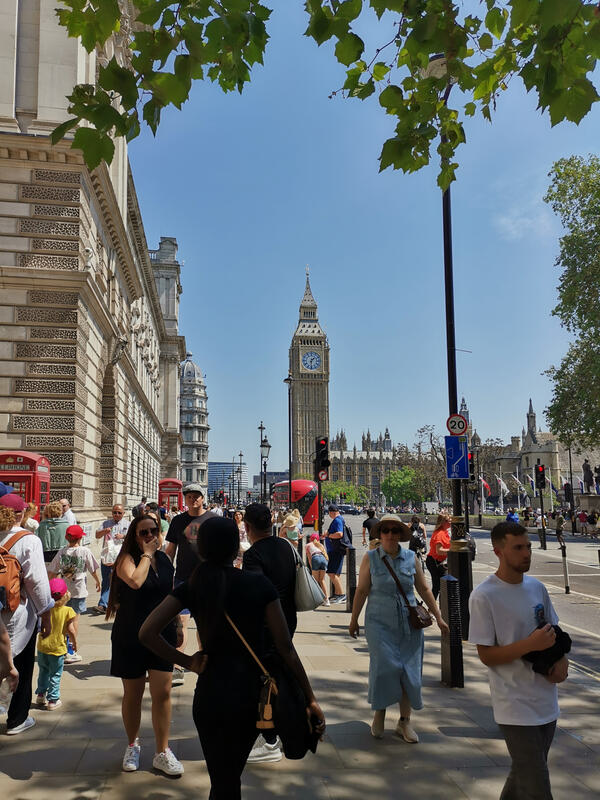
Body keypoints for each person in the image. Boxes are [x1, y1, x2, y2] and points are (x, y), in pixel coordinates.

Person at [139, 516, 325, 799]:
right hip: (249, 695)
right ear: (236, 547)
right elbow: (285, 647)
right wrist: (309, 698)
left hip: (211, 693)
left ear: (201, 549)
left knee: (222, 779)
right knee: (230, 776)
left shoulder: (193, 586)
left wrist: (187, 662)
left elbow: (147, 632)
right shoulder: (259, 585)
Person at [469, 522, 568, 799]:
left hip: (546, 700)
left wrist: (562, 660)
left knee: (524, 774)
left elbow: (554, 632)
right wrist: (529, 645)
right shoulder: (484, 596)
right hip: (514, 705)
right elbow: (486, 655)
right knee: (537, 785)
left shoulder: (537, 588)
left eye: (528, 547)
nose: (526, 553)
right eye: (518, 548)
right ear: (498, 551)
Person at [348, 514, 449, 742]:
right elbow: (362, 591)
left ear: (400, 535)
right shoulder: (370, 558)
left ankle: (404, 721)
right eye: (386, 531)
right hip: (378, 621)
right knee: (384, 668)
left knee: (409, 672)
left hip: (408, 623)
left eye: (395, 531)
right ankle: (380, 712)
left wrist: (439, 617)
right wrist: (354, 620)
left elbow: (424, 589)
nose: (390, 535)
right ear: (380, 534)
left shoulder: (411, 558)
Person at [107, 514, 183, 776]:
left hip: (162, 634)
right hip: (131, 635)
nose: (150, 536)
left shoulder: (165, 559)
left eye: (154, 531)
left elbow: (170, 594)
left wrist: (178, 624)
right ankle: (133, 744)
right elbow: (136, 582)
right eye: (144, 533)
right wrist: (147, 555)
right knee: (133, 694)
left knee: (163, 694)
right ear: (135, 536)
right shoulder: (126, 560)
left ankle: (162, 751)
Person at [243, 503, 298, 764]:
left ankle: (270, 739)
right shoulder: (286, 546)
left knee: (265, 681)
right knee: (279, 674)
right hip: (288, 620)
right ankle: (281, 733)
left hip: (265, 626)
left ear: (247, 527)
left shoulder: (253, 555)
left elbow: (254, 594)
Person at [0, 494, 53, 735]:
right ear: (21, 514)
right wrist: (46, 613)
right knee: (20, 664)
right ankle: (17, 719)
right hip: (16, 614)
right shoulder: (28, 540)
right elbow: (37, 582)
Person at [165, 484, 217, 686]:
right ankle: (177, 666)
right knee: (180, 625)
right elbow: (171, 549)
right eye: (189, 496)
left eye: (196, 496)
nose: (193, 499)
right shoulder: (178, 521)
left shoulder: (212, 520)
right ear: (184, 499)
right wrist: (164, 572)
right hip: (182, 580)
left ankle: (206, 660)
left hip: (208, 580)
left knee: (205, 625)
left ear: (203, 498)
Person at [48, 525, 101, 663]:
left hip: (64, 591)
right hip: (79, 590)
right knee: (74, 620)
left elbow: (52, 570)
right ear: (80, 537)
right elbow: (92, 569)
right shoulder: (85, 551)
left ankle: (62, 646)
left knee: (63, 619)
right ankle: (70, 650)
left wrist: (48, 584)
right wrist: (97, 581)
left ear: (67, 537)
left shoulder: (62, 551)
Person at [35, 578, 77, 711]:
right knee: (55, 674)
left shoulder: (43, 609)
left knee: (43, 671)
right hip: (57, 648)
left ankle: (40, 695)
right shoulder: (68, 611)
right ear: (66, 595)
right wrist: (74, 643)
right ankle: (53, 700)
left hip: (42, 647)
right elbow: (71, 630)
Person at [95, 504, 129, 613]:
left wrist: (123, 536)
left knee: (121, 580)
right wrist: (104, 531)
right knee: (106, 580)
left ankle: (119, 603)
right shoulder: (106, 523)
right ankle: (103, 604)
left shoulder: (128, 524)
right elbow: (97, 535)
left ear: (123, 513)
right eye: (114, 512)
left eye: (119, 512)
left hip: (121, 557)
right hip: (108, 556)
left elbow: (134, 538)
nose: (116, 514)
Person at [324, 504, 347, 604]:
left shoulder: (337, 520)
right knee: (336, 573)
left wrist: (328, 535)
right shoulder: (339, 519)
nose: (329, 515)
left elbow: (339, 534)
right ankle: (337, 594)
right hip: (335, 550)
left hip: (335, 550)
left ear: (332, 512)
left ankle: (342, 595)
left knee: (331, 572)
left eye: (329, 513)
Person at [425, 513, 451, 600]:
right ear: (442, 522)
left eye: (450, 519)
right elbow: (439, 551)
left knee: (442, 585)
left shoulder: (445, 532)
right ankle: (432, 606)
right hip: (434, 562)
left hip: (439, 562)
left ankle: (441, 604)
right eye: (447, 520)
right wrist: (452, 551)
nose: (450, 521)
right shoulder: (440, 534)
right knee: (437, 586)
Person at [306, 533, 329, 606]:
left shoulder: (308, 545)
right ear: (318, 539)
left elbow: (309, 557)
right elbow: (325, 554)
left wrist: (311, 566)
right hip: (323, 559)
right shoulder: (321, 545)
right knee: (322, 580)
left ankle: (315, 600)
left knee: (315, 581)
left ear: (310, 539)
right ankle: (326, 600)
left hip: (315, 558)